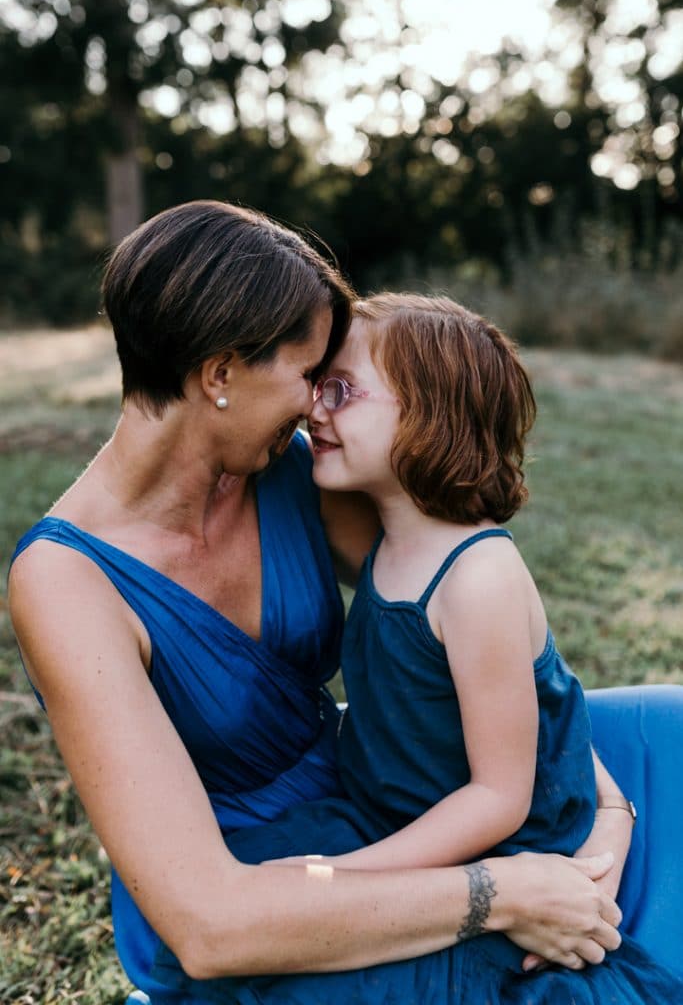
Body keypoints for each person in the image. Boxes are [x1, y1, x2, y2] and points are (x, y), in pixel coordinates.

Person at [9, 202, 628, 1005]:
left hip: (376, 813)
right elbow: (209, 922)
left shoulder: (291, 472)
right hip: (253, 887)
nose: (315, 408)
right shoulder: (66, 582)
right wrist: (500, 893)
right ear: (220, 373)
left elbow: (491, 635)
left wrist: (607, 808)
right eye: (309, 378)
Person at [210, 293, 683, 1003]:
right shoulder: (388, 542)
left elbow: (497, 797)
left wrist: (355, 877)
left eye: (341, 389)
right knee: (241, 894)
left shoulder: (477, 576)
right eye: (318, 387)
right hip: (389, 811)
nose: (316, 410)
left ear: (428, 416)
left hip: (499, 850)